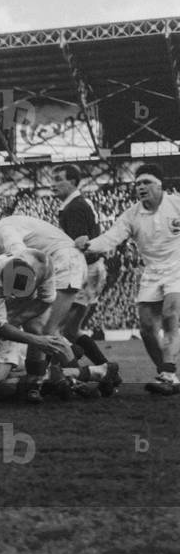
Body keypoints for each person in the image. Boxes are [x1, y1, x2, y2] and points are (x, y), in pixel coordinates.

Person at [0, 214, 87, 402]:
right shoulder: (1, 238)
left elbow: (22, 258)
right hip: (57, 264)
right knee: (36, 328)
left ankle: (74, 377)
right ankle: (58, 378)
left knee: (45, 330)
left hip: (62, 263)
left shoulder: (3, 232)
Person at [78, 163, 180, 395]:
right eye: (138, 184)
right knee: (145, 328)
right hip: (152, 272)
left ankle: (168, 372)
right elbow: (110, 238)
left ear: (159, 184)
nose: (141, 187)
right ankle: (167, 375)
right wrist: (88, 245)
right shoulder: (131, 215)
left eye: (146, 182)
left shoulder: (176, 205)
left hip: (178, 269)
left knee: (170, 316)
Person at [51, 163, 118, 388]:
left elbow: (81, 245)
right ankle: (107, 370)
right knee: (69, 330)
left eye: (58, 179)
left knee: (56, 329)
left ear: (72, 182)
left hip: (85, 271)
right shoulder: (76, 205)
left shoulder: (75, 208)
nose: (53, 184)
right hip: (91, 271)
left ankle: (72, 376)